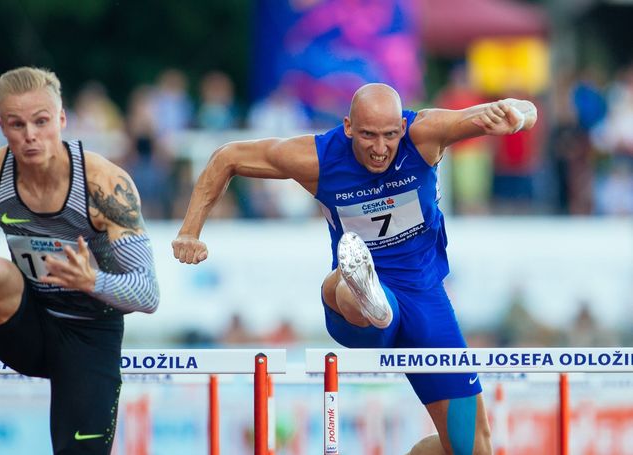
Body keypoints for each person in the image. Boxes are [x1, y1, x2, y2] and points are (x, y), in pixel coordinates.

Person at [172, 82, 537, 454]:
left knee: (471, 448)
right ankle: (366, 292)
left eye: (390, 136)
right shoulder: (319, 158)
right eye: (368, 136)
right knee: (345, 288)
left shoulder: (425, 133)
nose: (380, 149)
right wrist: (189, 231)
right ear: (348, 127)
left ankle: (374, 299)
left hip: (425, 301)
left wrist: (516, 112)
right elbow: (227, 157)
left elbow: (527, 108)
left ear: (403, 127)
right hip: (354, 312)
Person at [0, 67, 159, 454]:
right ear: (2, 127)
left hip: (90, 335)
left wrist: (91, 281)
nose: (30, 135)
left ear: (62, 119)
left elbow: (148, 293)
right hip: (27, 324)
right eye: (17, 124)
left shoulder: (104, 185)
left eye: (41, 121)